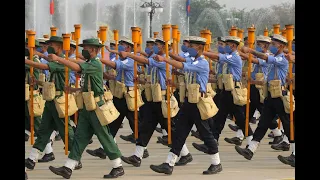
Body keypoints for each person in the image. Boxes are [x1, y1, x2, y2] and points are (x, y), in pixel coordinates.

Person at [48, 38, 125, 178]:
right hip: (87, 108)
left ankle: (117, 165)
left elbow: (77, 67)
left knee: (104, 136)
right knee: (80, 137)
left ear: (94, 50)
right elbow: (84, 76)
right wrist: (74, 89)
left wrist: (59, 58)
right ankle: (68, 167)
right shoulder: (90, 63)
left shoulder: (96, 64)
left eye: (87, 48)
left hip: (96, 108)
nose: (84, 50)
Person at [149, 36, 222, 175]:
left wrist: (165, 59)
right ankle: (169, 163)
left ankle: (216, 163)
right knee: (179, 133)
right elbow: (182, 60)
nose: (189, 49)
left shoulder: (202, 63)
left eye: (192, 47)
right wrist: (168, 52)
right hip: (189, 102)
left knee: (206, 133)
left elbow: (183, 65)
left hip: (198, 103)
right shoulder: (193, 60)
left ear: (200, 48)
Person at [234, 34, 295, 167]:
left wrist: (250, 51)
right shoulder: (276, 58)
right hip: (270, 96)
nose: (271, 46)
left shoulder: (282, 59)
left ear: (281, 46)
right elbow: (262, 61)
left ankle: (294, 154)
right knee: (263, 123)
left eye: (274, 44)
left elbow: (265, 57)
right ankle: (250, 150)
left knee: (287, 124)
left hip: (279, 96)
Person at [25, 36, 77, 170]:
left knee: (66, 131)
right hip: (51, 101)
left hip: (59, 101)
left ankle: (75, 157)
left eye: (51, 45)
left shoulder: (62, 62)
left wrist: (27, 61)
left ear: (59, 47)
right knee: (43, 130)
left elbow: (43, 66)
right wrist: (38, 82)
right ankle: (32, 157)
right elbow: (51, 80)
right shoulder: (56, 59)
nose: (49, 47)